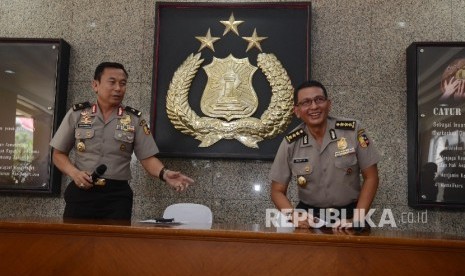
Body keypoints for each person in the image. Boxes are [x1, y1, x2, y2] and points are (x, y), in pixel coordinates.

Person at [50, 62, 194, 221]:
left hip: (116, 198)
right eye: (112, 82)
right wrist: (74, 173)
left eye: (123, 83)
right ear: (95, 85)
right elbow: (58, 154)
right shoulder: (77, 114)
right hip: (81, 192)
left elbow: (147, 158)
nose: (118, 88)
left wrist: (164, 174)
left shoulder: (133, 118)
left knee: (115, 246)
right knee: (76, 244)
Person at [269, 80, 380, 229]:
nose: (314, 106)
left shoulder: (352, 131)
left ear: (329, 104)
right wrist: (292, 215)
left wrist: (357, 218)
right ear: (296, 111)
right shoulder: (291, 142)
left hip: (350, 215)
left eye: (319, 100)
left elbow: (371, 177)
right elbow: (277, 190)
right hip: (309, 219)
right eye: (306, 102)